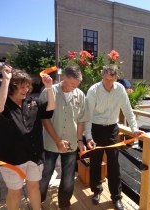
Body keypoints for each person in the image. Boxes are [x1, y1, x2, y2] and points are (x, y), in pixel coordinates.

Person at [0, 65, 55, 210]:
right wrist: (6, 80)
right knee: (15, 192)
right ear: (13, 87)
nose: (26, 90)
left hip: (34, 155)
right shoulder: (4, 104)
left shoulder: (32, 102)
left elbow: (50, 108)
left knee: (34, 186)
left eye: (27, 86)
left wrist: (50, 88)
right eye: (22, 87)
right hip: (12, 158)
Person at [84, 64, 144, 210]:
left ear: (115, 78)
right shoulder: (93, 90)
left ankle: (116, 196)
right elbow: (87, 115)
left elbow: (128, 111)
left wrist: (134, 128)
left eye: (111, 80)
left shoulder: (120, 90)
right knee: (95, 162)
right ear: (102, 76)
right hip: (95, 129)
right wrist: (88, 136)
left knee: (114, 164)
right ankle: (96, 190)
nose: (107, 83)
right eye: (105, 79)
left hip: (112, 129)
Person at [39, 66, 89, 210]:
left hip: (71, 144)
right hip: (50, 143)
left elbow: (80, 120)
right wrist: (57, 141)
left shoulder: (80, 95)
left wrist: (80, 140)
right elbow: (44, 119)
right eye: (73, 84)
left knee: (68, 177)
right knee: (45, 174)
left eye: (77, 85)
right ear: (64, 77)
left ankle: (64, 204)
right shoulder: (49, 91)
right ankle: (39, 200)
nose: (74, 88)